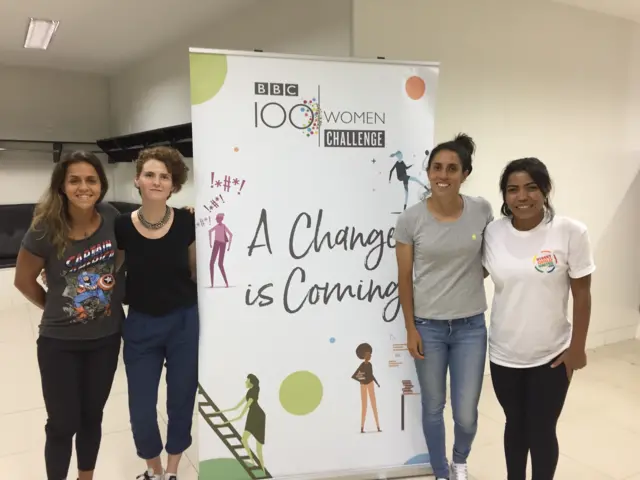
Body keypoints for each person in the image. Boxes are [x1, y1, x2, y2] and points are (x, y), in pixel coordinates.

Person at [13, 151, 125, 480]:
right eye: (74, 180)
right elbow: (23, 280)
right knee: (62, 423)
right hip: (59, 342)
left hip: (106, 339)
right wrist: (56, 304)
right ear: (62, 186)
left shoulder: (111, 216)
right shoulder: (45, 227)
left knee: (92, 417)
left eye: (91, 180)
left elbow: (119, 258)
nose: (83, 187)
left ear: (101, 185)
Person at [483, 157, 594, 480]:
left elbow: (583, 294)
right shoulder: (493, 232)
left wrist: (578, 349)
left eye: (531, 188)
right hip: (504, 353)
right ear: (504, 196)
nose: (522, 196)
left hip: (552, 354)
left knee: (542, 428)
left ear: (545, 190)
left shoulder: (570, 231)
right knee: (514, 425)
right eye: (513, 189)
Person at [394, 134, 493, 480]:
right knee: (433, 407)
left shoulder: (481, 210)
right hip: (428, 327)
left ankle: (460, 460)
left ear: (464, 174)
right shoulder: (411, 220)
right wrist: (410, 328)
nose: (443, 175)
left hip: (470, 327)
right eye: (437, 167)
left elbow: (488, 258)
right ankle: (440, 471)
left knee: (466, 412)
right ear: (428, 170)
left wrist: (466, 277)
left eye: (452, 168)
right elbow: (404, 278)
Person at [114, 146, 198, 480]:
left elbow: (195, 272)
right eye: (150, 174)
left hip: (184, 322)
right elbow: (109, 271)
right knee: (142, 410)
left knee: (181, 401)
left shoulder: (187, 221)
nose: (157, 181)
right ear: (137, 179)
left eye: (165, 176)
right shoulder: (121, 225)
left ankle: (174, 469)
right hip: (141, 325)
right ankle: (154, 469)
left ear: (174, 184)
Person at [219, 374, 267, 471]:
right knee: (244, 439)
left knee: (258, 447)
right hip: (252, 415)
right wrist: (220, 412)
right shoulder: (250, 391)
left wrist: (228, 421)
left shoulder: (253, 392)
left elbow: (242, 413)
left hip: (258, 416)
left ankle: (262, 469)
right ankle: (253, 462)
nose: (245, 382)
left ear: (251, 382)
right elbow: (236, 407)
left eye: (247, 380)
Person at [351, 343, 381, 433]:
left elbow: (371, 375)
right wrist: (363, 380)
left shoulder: (370, 365)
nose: (370, 355)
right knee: (364, 405)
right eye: (368, 354)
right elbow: (356, 375)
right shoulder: (362, 365)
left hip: (370, 384)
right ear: (364, 355)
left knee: (374, 404)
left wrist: (376, 383)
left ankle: (378, 427)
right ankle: (362, 427)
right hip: (363, 385)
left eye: (370, 354)